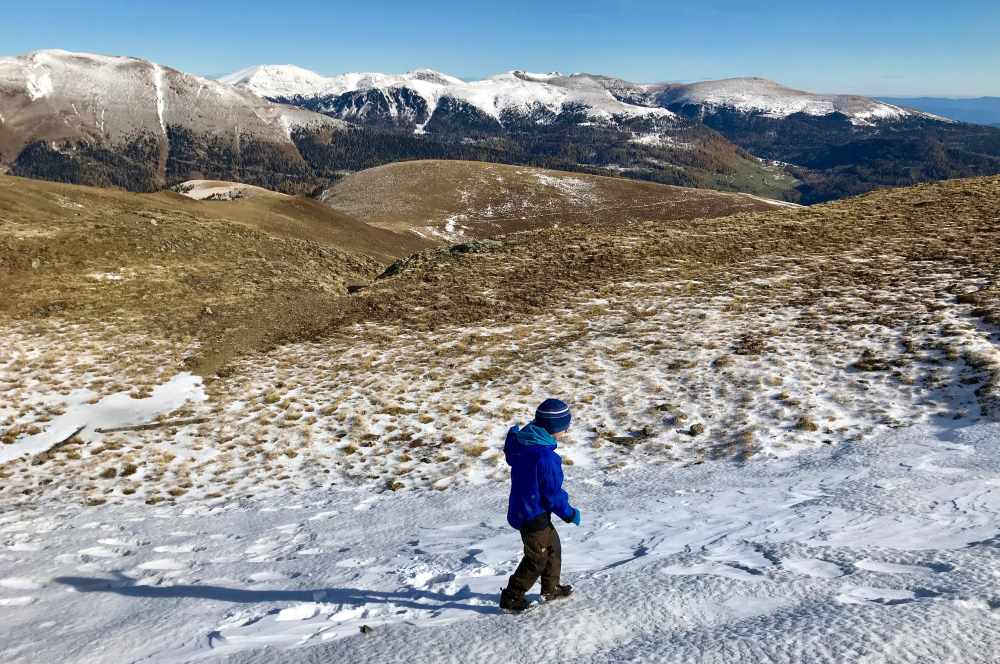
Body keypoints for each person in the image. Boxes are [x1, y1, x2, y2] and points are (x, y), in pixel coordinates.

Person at [499, 398, 581, 612]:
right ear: (555, 429)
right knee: (537, 558)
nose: (565, 432)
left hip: (524, 506)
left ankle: (550, 589)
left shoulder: (524, 443)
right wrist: (570, 513)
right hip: (532, 514)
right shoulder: (545, 457)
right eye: (564, 428)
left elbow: (512, 448)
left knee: (553, 548)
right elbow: (552, 494)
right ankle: (512, 597)